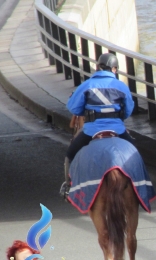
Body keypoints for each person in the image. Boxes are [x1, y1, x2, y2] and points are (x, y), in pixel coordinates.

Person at [60, 52, 135, 198]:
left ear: (97, 67)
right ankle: (139, 185)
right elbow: (128, 111)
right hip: (117, 130)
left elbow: (74, 108)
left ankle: (69, 186)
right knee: (135, 153)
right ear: (115, 69)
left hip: (91, 131)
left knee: (70, 154)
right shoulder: (121, 86)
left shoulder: (86, 85)